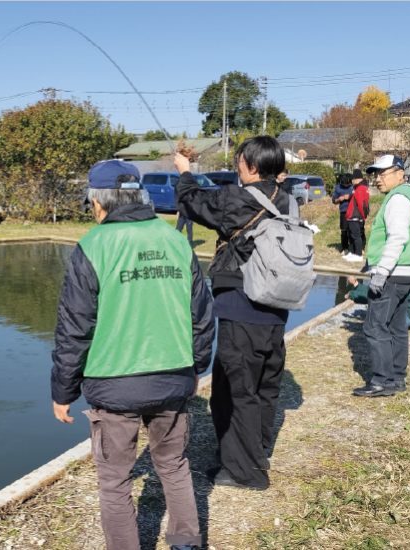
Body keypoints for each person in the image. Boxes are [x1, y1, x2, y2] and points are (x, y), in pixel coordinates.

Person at [51, 159, 215, 550]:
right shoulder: (175, 240)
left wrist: (62, 391)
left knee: (114, 481)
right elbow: (202, 315)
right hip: (174, 376)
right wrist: (196, 368)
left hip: (114, 384)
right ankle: (187, 543)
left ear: (97, 201)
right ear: (138, 195)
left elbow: (74, 329)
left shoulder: (93, 245)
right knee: (174, 465)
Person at [175, 136, 293, 491]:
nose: (236, 165)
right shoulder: (285, 198)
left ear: (253, 166)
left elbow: (193, 203)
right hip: (275, 309)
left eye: (239, 160)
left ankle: (246, 472)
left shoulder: (239, 198)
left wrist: (184, 171)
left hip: (242, 308)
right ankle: (256, 451)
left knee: (234, 389)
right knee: (263, 386)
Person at [353, 155, 410, 398]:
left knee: (376, 325)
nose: (377, 179)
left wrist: (381, 272)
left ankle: (382, 381)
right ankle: (396, 378)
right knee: (397, 326)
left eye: (382, 174)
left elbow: (397, 237)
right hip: (406, 273)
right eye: (375, 174)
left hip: (392, 274)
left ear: (400, 173)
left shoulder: (398, 199)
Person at [345, 276, 410, 328]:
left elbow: (372, 296)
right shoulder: (390, 275)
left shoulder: (390, 279)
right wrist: (356, 285)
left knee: (376, 312)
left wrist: (351, 294)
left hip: (408, 316)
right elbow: (372, 290)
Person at [345, 168, 370, 262]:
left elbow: (361, 204)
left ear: (356, 179)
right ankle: (354, 253)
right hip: (357, 215)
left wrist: (363, 215)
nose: (351, 181)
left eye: (353, 178)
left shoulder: (360, 189)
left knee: (355, 236)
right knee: (354, 235)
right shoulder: (363, 188)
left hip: (355, 216)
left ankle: (358, 254)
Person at [332, 173, 354, 257]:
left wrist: (350, 196)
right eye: (344, 184)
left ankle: (355, 247)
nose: (345, 185)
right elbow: (334, 200)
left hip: (354, 211)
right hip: (344, 211)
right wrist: (339, 199)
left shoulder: (354, 186)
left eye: (347, 184)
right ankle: (345, 247)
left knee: (354, 230)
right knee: (344, 231)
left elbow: (359, 194)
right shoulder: (338, 187)